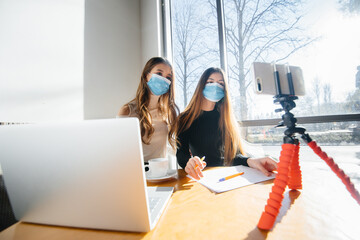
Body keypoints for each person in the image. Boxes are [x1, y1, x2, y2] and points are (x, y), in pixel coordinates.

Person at [175, 67, 277, 180]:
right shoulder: (185, 118)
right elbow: (181, 154)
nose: (215, 86)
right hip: (203, 177)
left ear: (224, 90)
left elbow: (234, 156)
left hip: (228, 177)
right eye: (210, 82)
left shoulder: (226, 118)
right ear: (201, 86)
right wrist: (188, 163)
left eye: (220, 83)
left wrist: (251, 161)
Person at [117, 57, 179, 162]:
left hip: (161, 172)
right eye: (159, 74)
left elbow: (164, 147)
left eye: (168, 77)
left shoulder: (168, 112)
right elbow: (119, 149)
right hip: (136, 172)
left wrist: (188, 152)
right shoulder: (128, 111)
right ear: (146, 76)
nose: (164, 79)